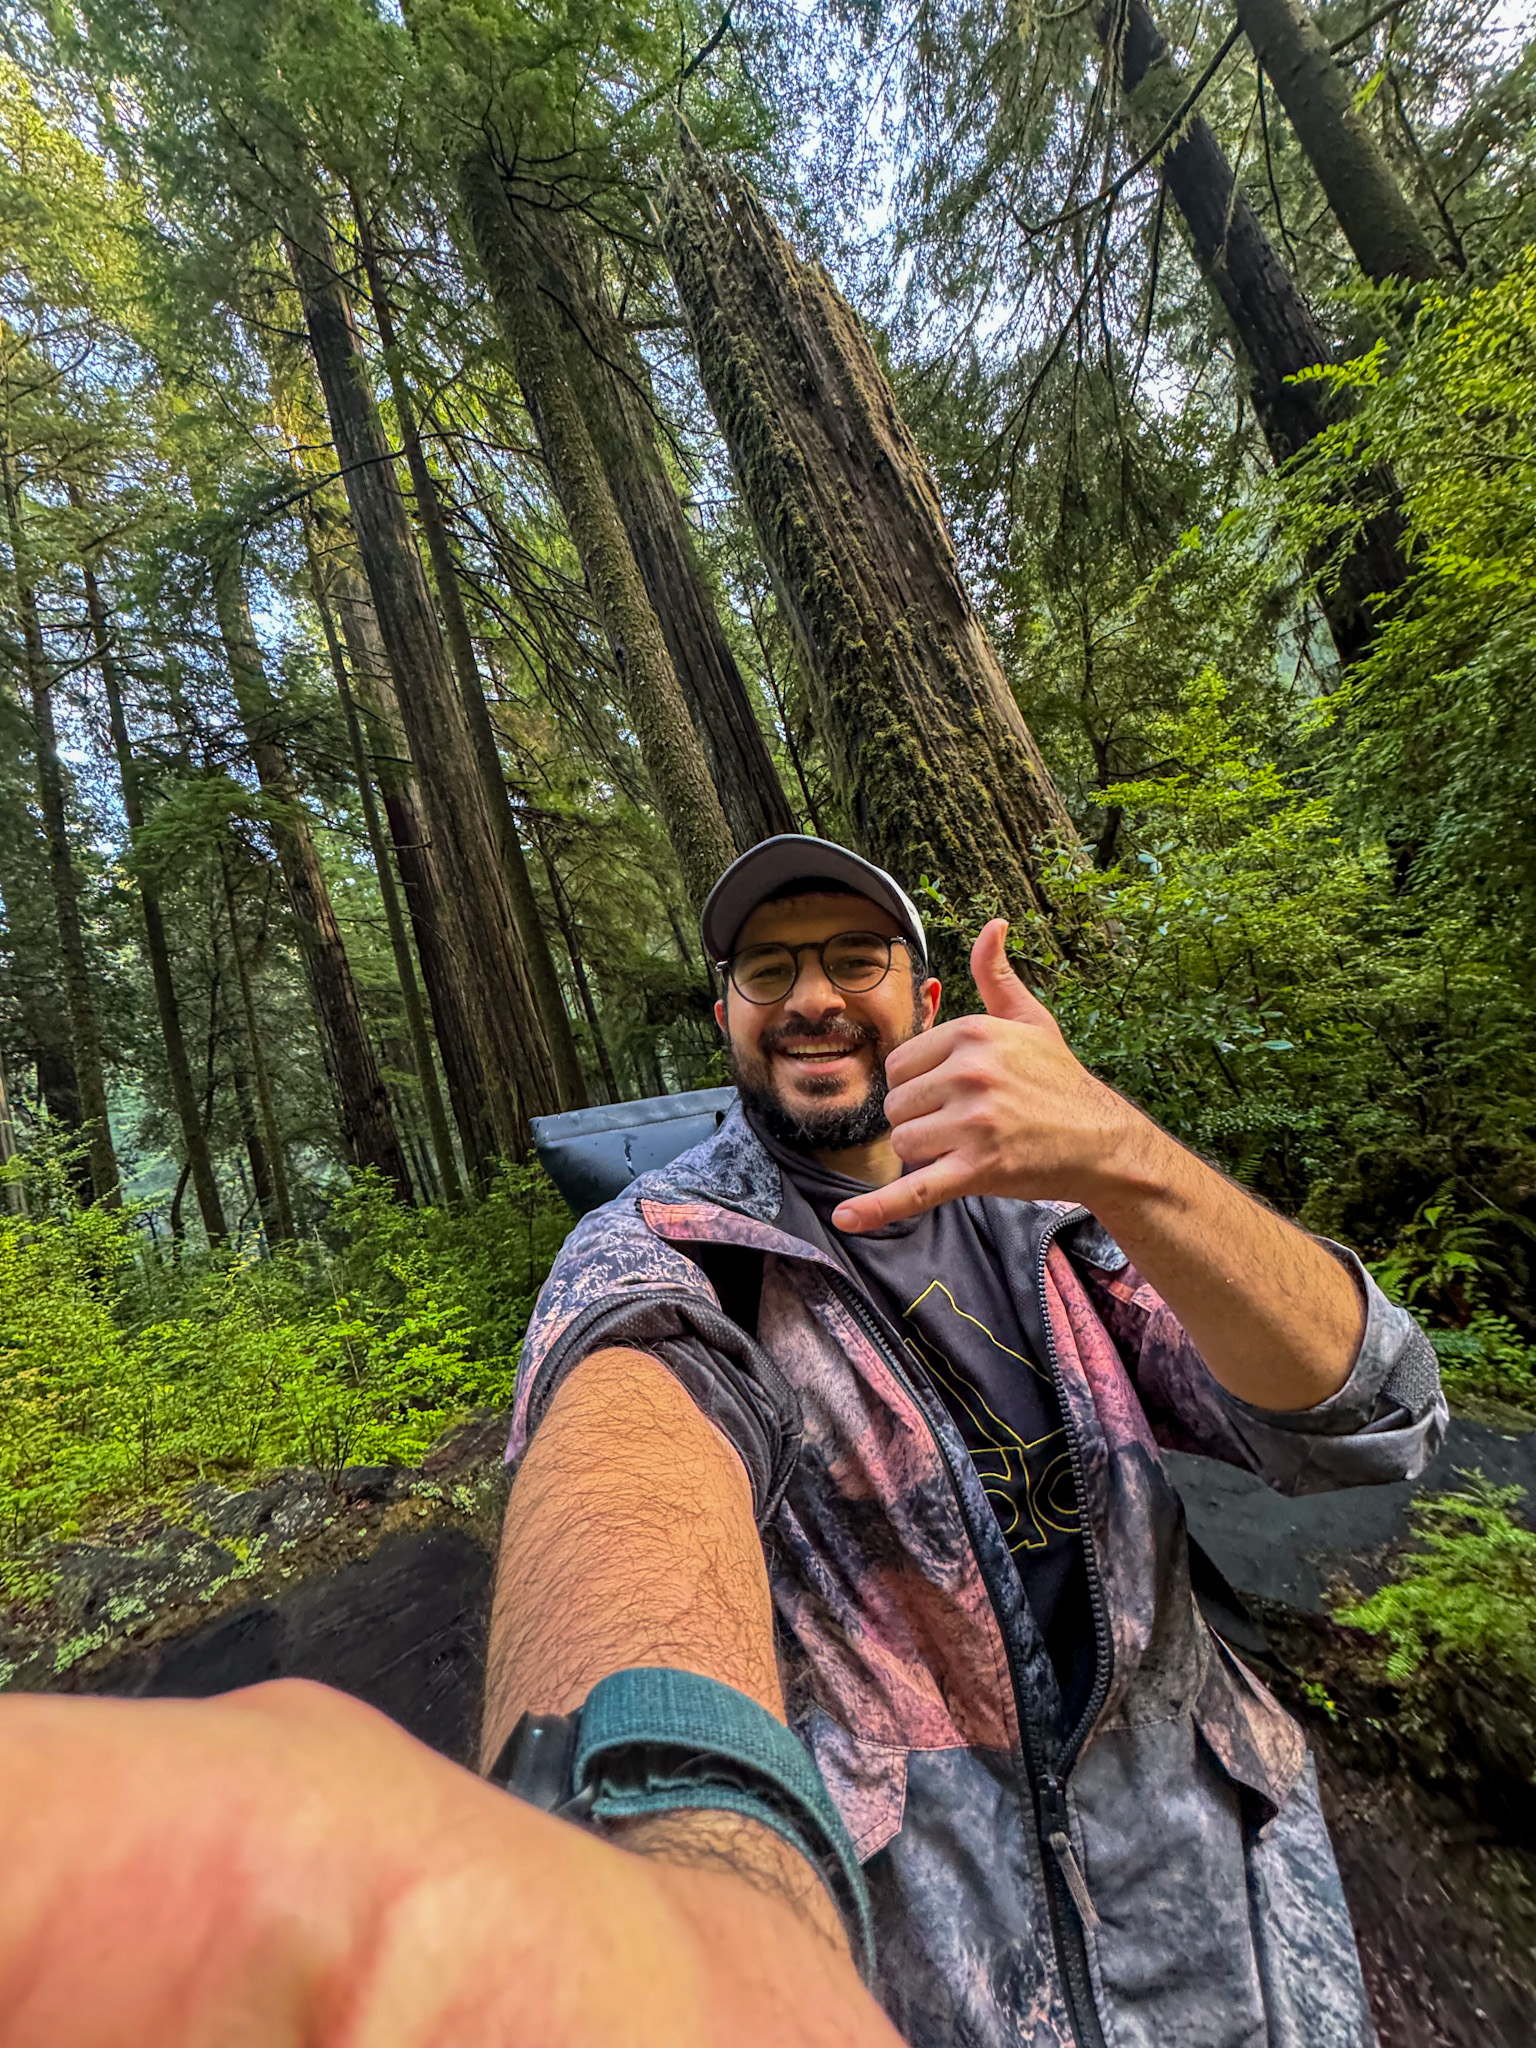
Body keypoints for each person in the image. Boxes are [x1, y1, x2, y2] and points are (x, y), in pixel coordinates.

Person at [488, 833, 1447, 2048]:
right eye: (769, 969)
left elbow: (1372, 1415)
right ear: (725, 1010)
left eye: (854, 956)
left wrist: (1123, 1151)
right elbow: (625, 1454)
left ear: (926, 999)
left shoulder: (1055, 1210)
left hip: (1229, 1900)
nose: (815, 997)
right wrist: (653, 1876)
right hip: (938, 1967)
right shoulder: (671, 1244)